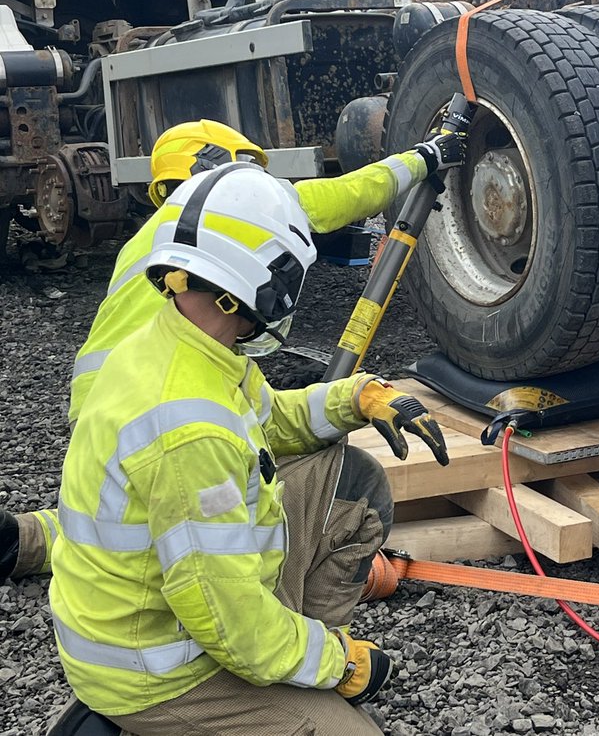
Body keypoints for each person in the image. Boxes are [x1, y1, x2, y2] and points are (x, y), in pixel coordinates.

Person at [50, 163, 443, 734]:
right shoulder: (188, 430)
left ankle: (285, 666)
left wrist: (355, 398)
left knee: (350, 484)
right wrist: (337, 665)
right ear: (267, 280)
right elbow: (225, 616)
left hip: (180, 610)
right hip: (157, 670)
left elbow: (271, 417)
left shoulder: (189, 339)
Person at [0, 117, 465, 580]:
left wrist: (353, 397)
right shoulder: (230, 218)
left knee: (128, 511)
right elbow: (351, 193)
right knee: (222, 496)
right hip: (167, 404)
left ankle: (23, 541)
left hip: (101, 407)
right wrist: (424, 158)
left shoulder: (155, 242)